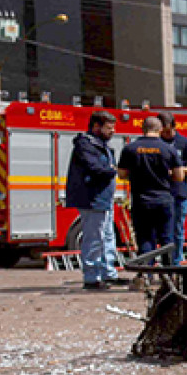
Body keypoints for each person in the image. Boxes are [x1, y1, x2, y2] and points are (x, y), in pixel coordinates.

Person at [63, 110, 124, 289]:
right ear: (96, 127)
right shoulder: (86, 145)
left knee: (107, 236)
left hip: (103, 198)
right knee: (94, 238)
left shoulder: (101, 145)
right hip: (92, 198)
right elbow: (96, 168)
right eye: (109, 128)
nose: (112, 132)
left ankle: (108, 273)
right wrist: (114, 170)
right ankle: (92, 277)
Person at [118, 116, 183, 265]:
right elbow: (179, 176)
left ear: (142, 129)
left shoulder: (130, 148)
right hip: (164, 200)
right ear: (160, 129)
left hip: (141, 200)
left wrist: (136, 175)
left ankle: (147, 274)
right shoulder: (169, 149)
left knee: (145, 238)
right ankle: (169, 276)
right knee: (167, 239)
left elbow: (121, 174)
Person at [160, 115, 187, 263]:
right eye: (164, 131)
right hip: (161, 192)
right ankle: (165, 261)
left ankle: (176, 261)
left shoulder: (185, 143)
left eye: (169, 131)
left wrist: (175, 171)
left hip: (179, 192)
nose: (167, 135)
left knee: (178, 229)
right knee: (163, 231)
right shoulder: (157, 143)